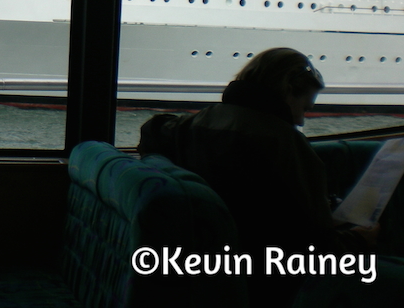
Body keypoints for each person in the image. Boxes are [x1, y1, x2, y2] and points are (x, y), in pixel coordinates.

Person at [138, 47, 376, 307]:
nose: (302, 120)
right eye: (305, 107)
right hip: (269, 282)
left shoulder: (196, 124)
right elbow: (317, 249)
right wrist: (359, 241)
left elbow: (154, 129)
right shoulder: (284, 144)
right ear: (288, 89)